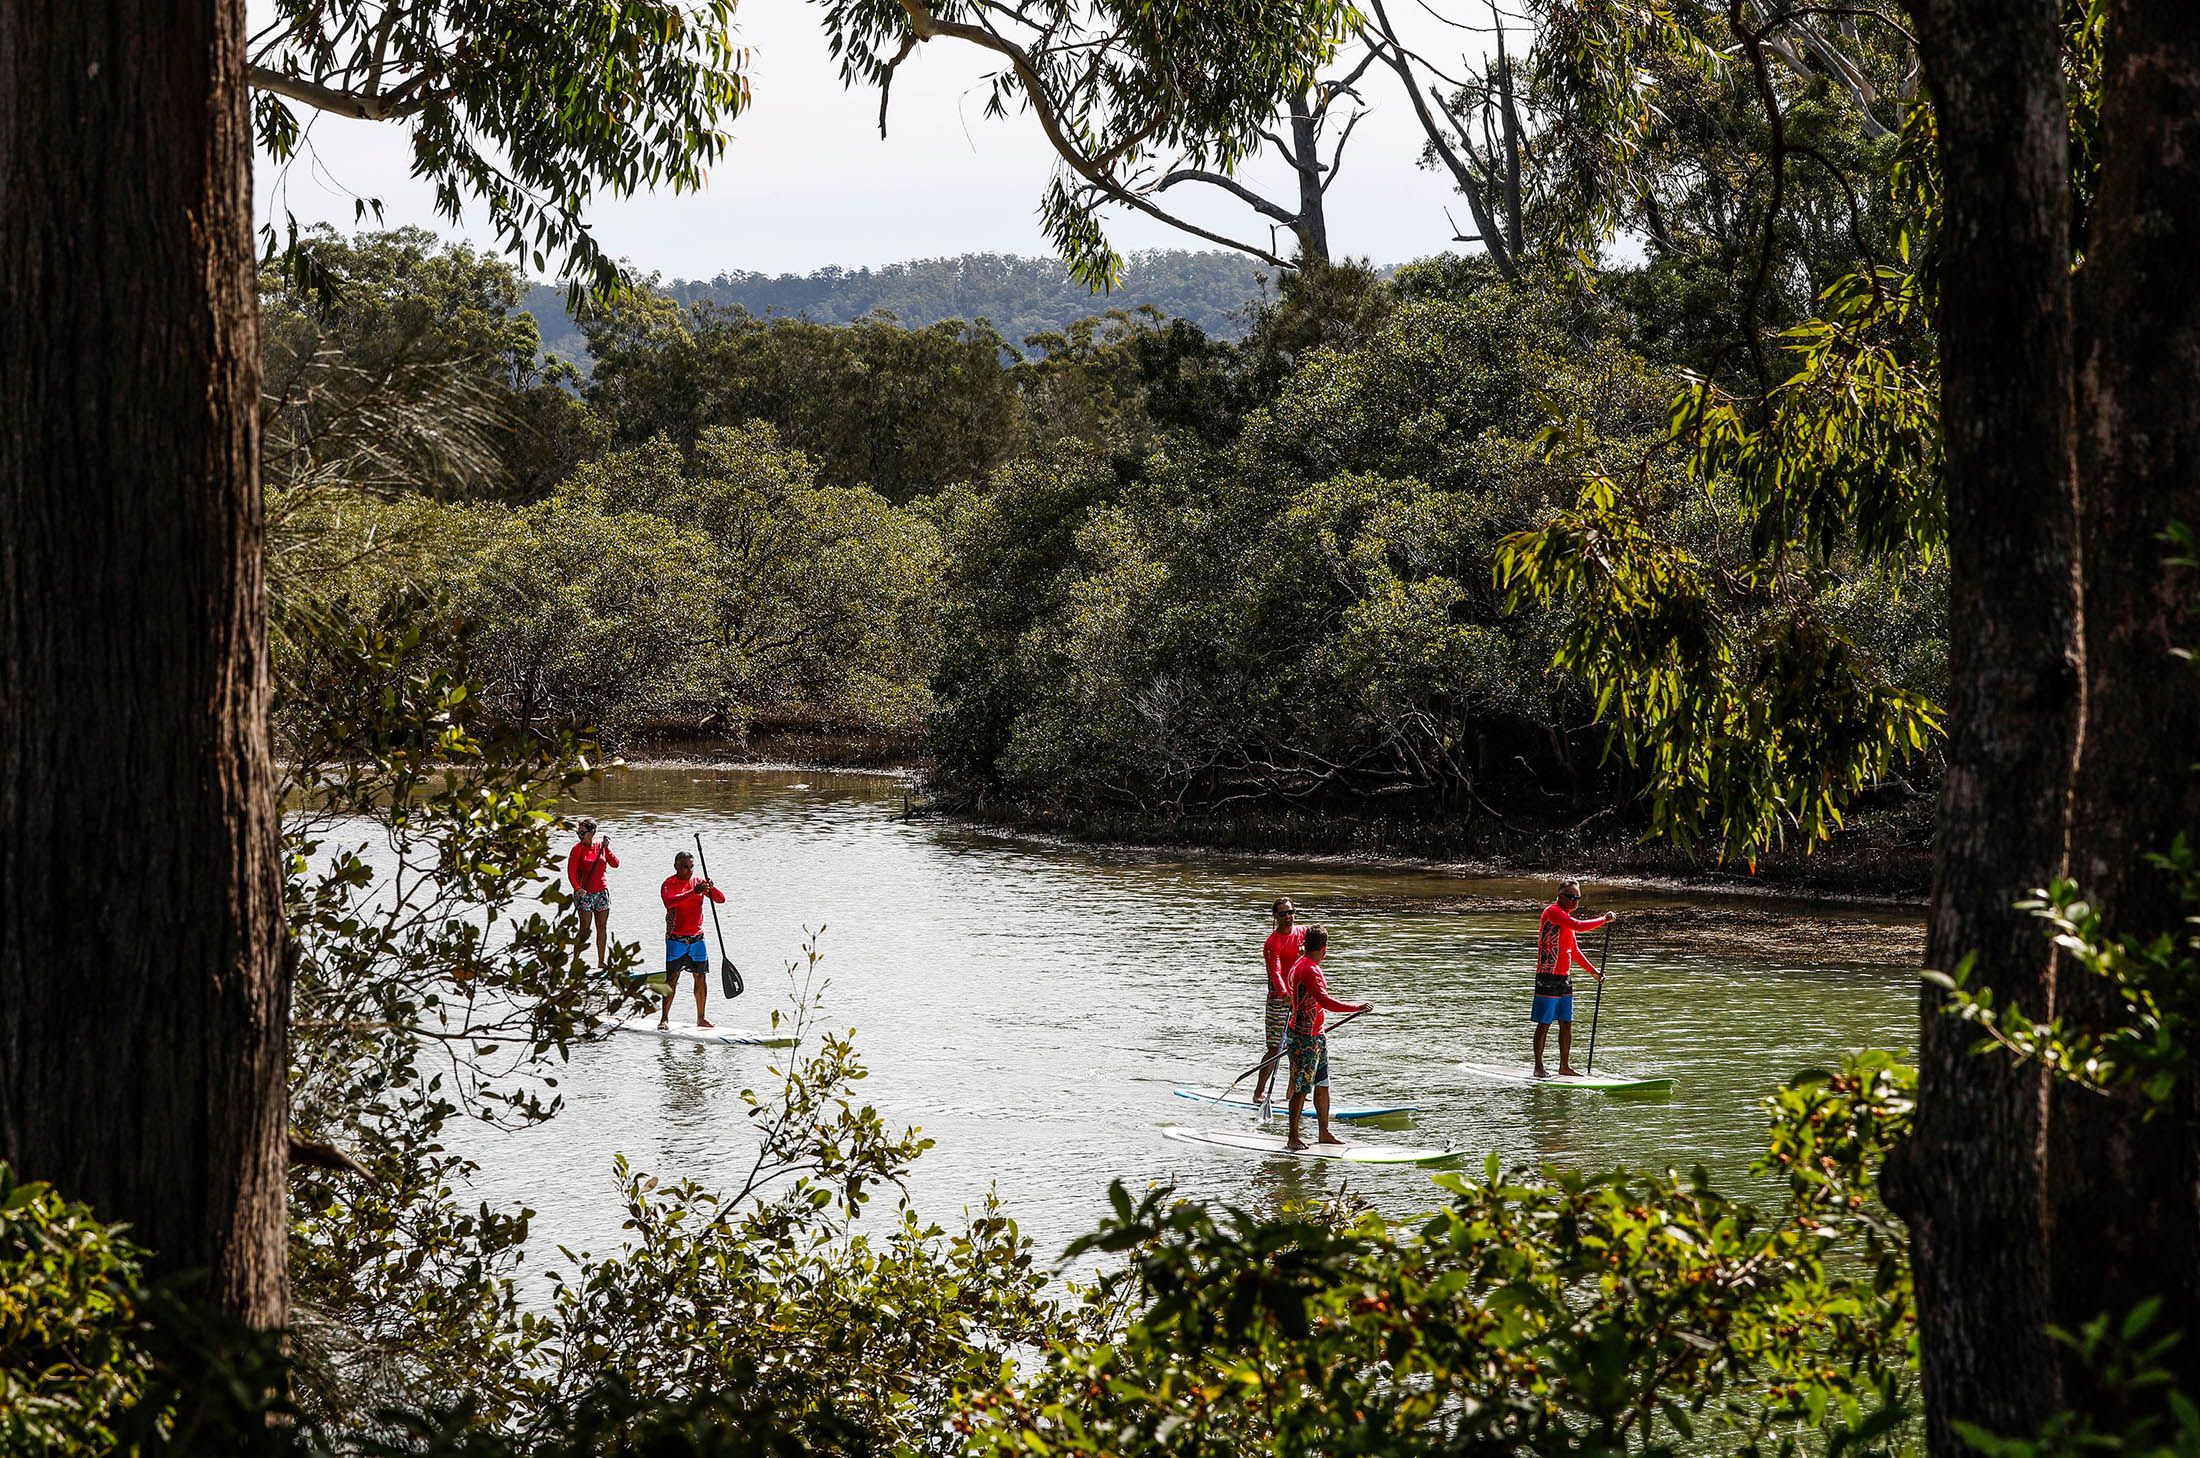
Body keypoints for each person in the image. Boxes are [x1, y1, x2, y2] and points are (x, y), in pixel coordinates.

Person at [1282, 925, 1372, 1151]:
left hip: (1316, 1035)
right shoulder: (1309, 969)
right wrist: (1356, 1007)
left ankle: (1324, 1132)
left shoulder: (1302, 963)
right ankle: (1293, 1136)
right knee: (1302, 1087)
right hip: (1304, 1038)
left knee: (1322, 1084)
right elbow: (1326, 1002)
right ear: (1324, 948)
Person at [1533, 880, 1612, 1077]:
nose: (1575, 901)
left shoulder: (1565, 918)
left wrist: (1593, 972)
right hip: (1548, 976)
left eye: (1578, 898)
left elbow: (1573, 950)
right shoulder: (1553, 912)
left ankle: (1564, 1067)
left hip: (1564, 978)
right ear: (1560, 896)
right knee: (1545, 1022)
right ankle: (1538, 1067)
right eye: (1572, 897)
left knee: (1566, 1023)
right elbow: (1579, 926)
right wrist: (1604, 919)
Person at [659, 850, 726, 1029]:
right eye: (685, 867)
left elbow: (721, 900)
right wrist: (693, 892)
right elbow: (669, 902)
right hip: (676, 939)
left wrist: (711, 888)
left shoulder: (698, 882)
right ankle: (664, 1019)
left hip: (697, 939)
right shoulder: (668, 883)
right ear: (676, 866)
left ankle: (701, 1018)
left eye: (691, 867)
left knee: (700, 977)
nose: (689, 871)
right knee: (672, 978)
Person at [1252, 897, 1305, 1106]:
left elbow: (1319, 946)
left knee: (1299, 1047)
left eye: (1290, 912)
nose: (1288, 917)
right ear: (1275, 916)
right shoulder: (1272, 943)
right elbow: (1275, 972)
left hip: (1301, 999)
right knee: (1276, 1048)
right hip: (1278, 1000)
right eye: (1283, 914)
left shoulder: (1303, 932)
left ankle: (1293, 1094)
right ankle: (1259, 1092)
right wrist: (1285, 994)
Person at [566, 820, 618, 971]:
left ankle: (601, 962)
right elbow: (571, 872)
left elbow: (615, 864)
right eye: (578, 833)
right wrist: (577, 888)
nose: (580, 835)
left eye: (582, 833)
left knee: (602, 927)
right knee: (585, 929)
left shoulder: (600, 847)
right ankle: (575, 962)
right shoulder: (577, 849)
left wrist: (607, 849)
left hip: (601, 893)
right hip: (585, 894)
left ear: (592, 833)